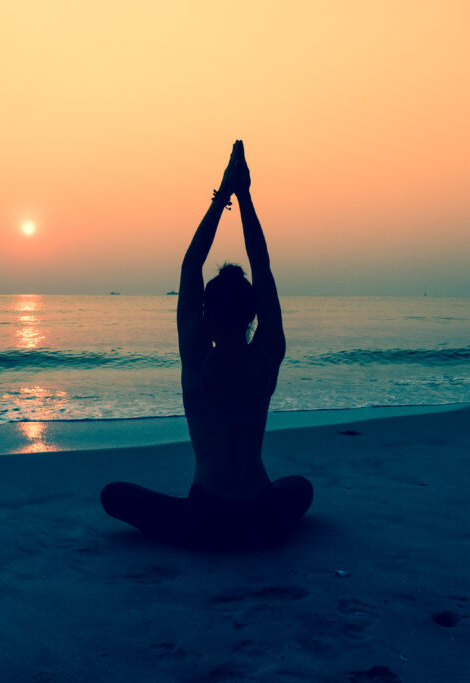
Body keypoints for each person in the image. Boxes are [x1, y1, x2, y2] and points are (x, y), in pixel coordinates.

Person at [101, 140, 313, 550]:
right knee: (300, 488)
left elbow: (190, 265)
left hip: (205, 520)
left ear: (206, 315)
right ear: (252, 315)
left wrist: (223, 196)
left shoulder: (197, 360)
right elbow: (262, 268)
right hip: (263, 516)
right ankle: (253, 533)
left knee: (113, 495)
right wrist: (246, 197)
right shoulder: (268, 357)